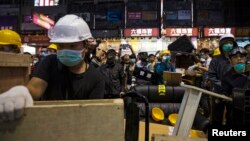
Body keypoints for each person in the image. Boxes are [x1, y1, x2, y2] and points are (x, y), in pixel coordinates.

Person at [0, 14, 105, 121]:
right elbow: (35, 89)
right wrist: (21, 93)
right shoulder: (50, 63)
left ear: (86, 46)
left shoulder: (96, 78)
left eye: (72, 45)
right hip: (48, 126)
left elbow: (93, 114)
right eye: (60, 46)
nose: (65, 50)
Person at [208, 33, 238, 126]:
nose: (229, 45)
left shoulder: (237, 59)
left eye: (230, 43)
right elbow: (211, 76)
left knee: (232, 116)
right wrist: (223, 86)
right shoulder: (215, 60)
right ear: (221, 45)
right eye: (226, 43)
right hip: (218, 92)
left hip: (233, 93)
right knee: (216, 115)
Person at [221, 47, 248, 127]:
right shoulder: (227, 77)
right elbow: (225, 95)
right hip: (234, 113)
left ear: (246, 59)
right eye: (235, 57)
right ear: (230, 61)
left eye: (241, 57)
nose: (239, 59)